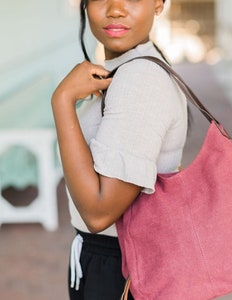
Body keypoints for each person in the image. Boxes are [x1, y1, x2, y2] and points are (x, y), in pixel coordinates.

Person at [51, 0, 187, 298]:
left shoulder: (140, 80)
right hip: (113, 260)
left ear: (159, 4)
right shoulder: (127, 68)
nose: (115, 9)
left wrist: (61, 101)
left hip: (121, 268)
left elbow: (100, 212)